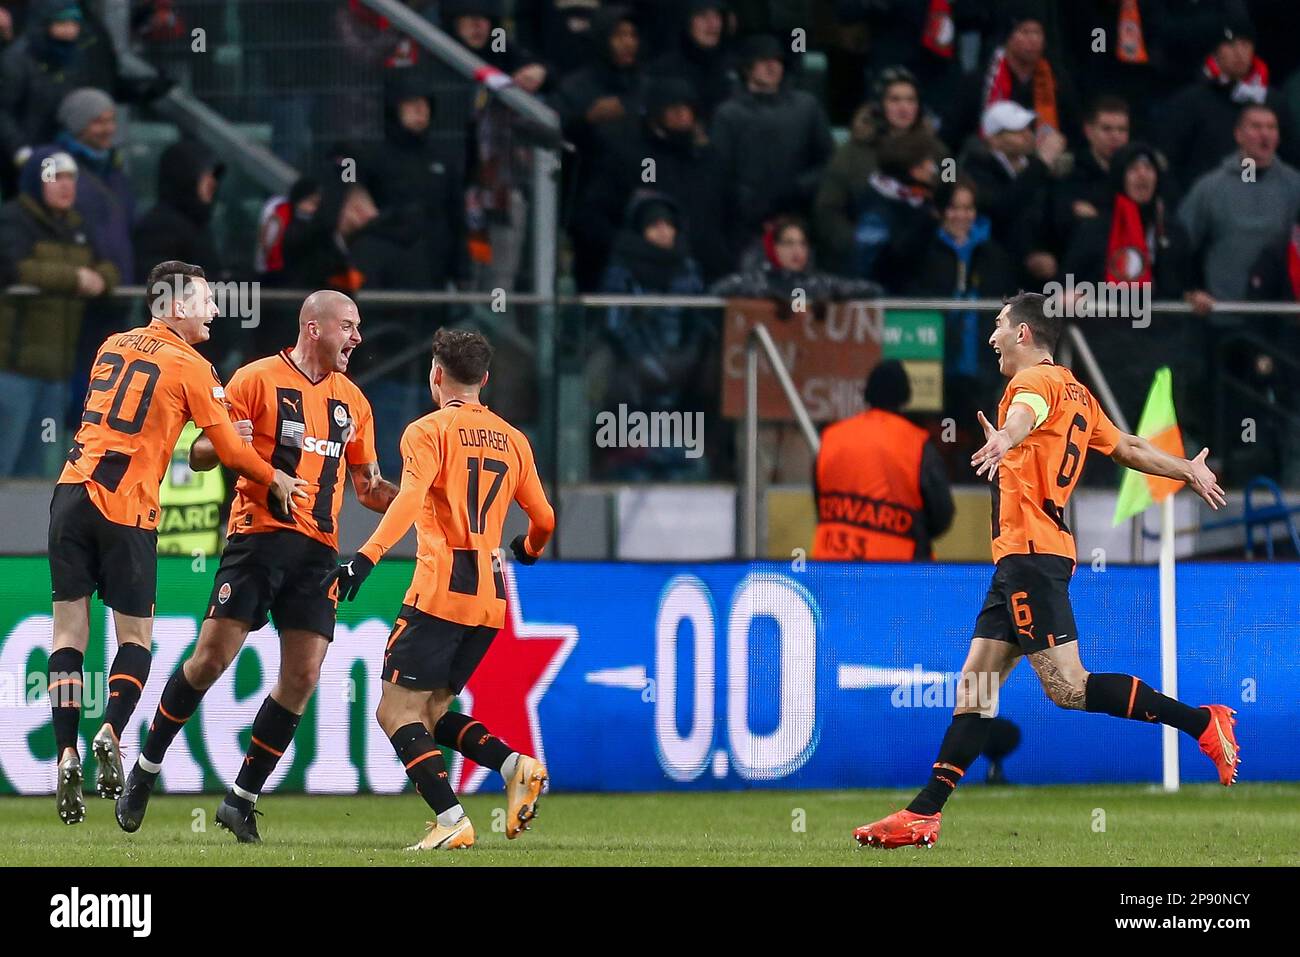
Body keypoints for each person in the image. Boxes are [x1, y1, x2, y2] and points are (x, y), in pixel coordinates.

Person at [853, 292, 1238, 850]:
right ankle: (924, 814)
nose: (992, 339)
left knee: (1067, 687)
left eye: (999, 327)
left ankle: (1202, 723)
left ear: (1026, 335)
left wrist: (1006, 437)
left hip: (1032, 554)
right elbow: (1127, 447)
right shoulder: (1077, 391)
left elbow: (1021, 416)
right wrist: (1185, 469)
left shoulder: (1032, 384)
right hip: (1022, 555)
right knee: (977, 684)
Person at [116, 291, 397, 842]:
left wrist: (418, 494)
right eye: (348, 326)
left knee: (304, 675)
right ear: (313, 329)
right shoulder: (255, 379)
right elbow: (198, 455)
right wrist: (223, 445)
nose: (357, 338)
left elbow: (368, 487)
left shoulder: (355, 402)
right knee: (211, 658)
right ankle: (146, 769)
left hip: (318, 551)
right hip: (256, 539)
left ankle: (240, 800)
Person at [45, 260, 305, 826]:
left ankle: (65, 751)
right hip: (126, 506)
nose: (214, 310)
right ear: (177, 306)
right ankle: (112, 730)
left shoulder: (111, 345)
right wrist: (275, 476)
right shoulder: (192, 365)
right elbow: (229, 456)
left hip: (68, 493)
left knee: (68, 631)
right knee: (135, 638)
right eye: (206, 300)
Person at [323, 328, 557, 851]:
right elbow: (544, 518)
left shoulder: (427, 431)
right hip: (490, 599)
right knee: (429, 712)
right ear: (486, 379)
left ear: (435, 375)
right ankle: (514, 765)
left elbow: (407, 503)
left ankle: (451, 818)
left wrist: (364, 559)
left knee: (394, 711)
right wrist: (527, 550)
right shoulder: (515, 440)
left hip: (439, 591)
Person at [0, 149, 117, 478]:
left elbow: (110, 268)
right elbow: (14, 269)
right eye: (55, 177)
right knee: (4, 462)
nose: (65, 186)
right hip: (12, 370)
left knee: (38, 468)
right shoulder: (13, 219)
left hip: (57, 374)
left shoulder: (77, 226)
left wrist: (100, 280)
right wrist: (76, 278)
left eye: (70, 178)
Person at [812, 360, 953, 561]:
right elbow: (941, 514)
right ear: (905, 397)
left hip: (832, 568)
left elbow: (820, 502)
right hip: (895, 574)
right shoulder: (916, 443)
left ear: (867, 393)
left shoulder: (831, 438)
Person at [711, 33, 834, 254]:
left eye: (777, 60)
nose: (772, 66)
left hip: (799, 219)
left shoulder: (806, 107)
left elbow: (828, 162)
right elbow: (719, 173)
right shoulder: (728, 114)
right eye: (763, 61)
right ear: (747, 68)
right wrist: (752, 204)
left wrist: (797, 190)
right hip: (745, 226)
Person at [132, 139, 225, 283]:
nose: (212, 182)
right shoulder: (160, 227)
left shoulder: (198, 222)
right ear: (185, 177)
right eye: (204, 175)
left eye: (213, 176)